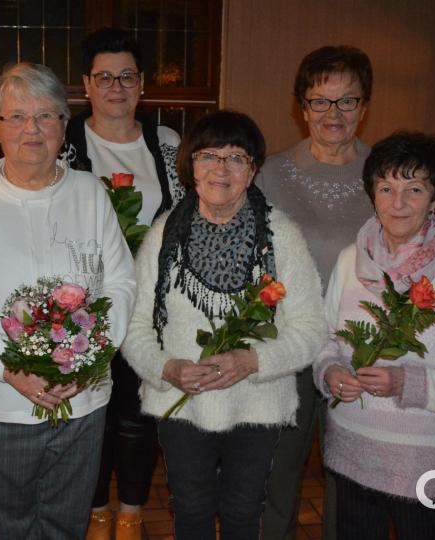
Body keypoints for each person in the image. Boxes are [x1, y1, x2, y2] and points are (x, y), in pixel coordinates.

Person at [0, 62, 136, 539]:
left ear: (65, 126)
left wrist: (91, 356)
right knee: (8, 527)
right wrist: (8, 367)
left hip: (82, 402)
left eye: (46, 116)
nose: (32, 129)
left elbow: (122, 282)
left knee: (67, 525)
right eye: (17, 117)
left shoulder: (90, 194)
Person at [123, 110, 327, 539]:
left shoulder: (281, 236)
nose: (221, 168)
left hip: (257, 404)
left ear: (252, 170)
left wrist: (253, 359)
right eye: (208, 155)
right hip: (180, 402)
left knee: (241, 515)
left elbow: (310, 328)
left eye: (236, 157)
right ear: (190, 166)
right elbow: (135, 327)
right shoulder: (164, 235)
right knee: (191, 514)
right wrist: (166, 368)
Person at [313, 131, 435, 539]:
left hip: (421, 465)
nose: (397, 203)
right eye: (386, 188)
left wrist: (410, 383)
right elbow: (324, 338)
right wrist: (330, 370)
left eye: (414, 189)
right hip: (354, 452)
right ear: (372, 195)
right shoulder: (351, 261)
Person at [64, 27, 183, 540]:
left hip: (148, 307)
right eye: (104, 76)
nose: (116, 86)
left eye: (127, 76)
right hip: (79, 306)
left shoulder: (166, 142)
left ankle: (131, 511)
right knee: (90, 414)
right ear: (86, 84)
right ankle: (94, 511)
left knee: (137, 415)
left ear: (143, 84)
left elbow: (183, 217)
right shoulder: (64, 142)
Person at [254, 45, 376, 540]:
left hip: (360, 347)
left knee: (348, 474)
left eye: (347, 101)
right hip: (291, 344)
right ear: (301, 106)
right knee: (278, 469)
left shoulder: (385, 172)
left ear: (364, 106)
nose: (333, 114)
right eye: (320, 101)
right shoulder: (272, 174)